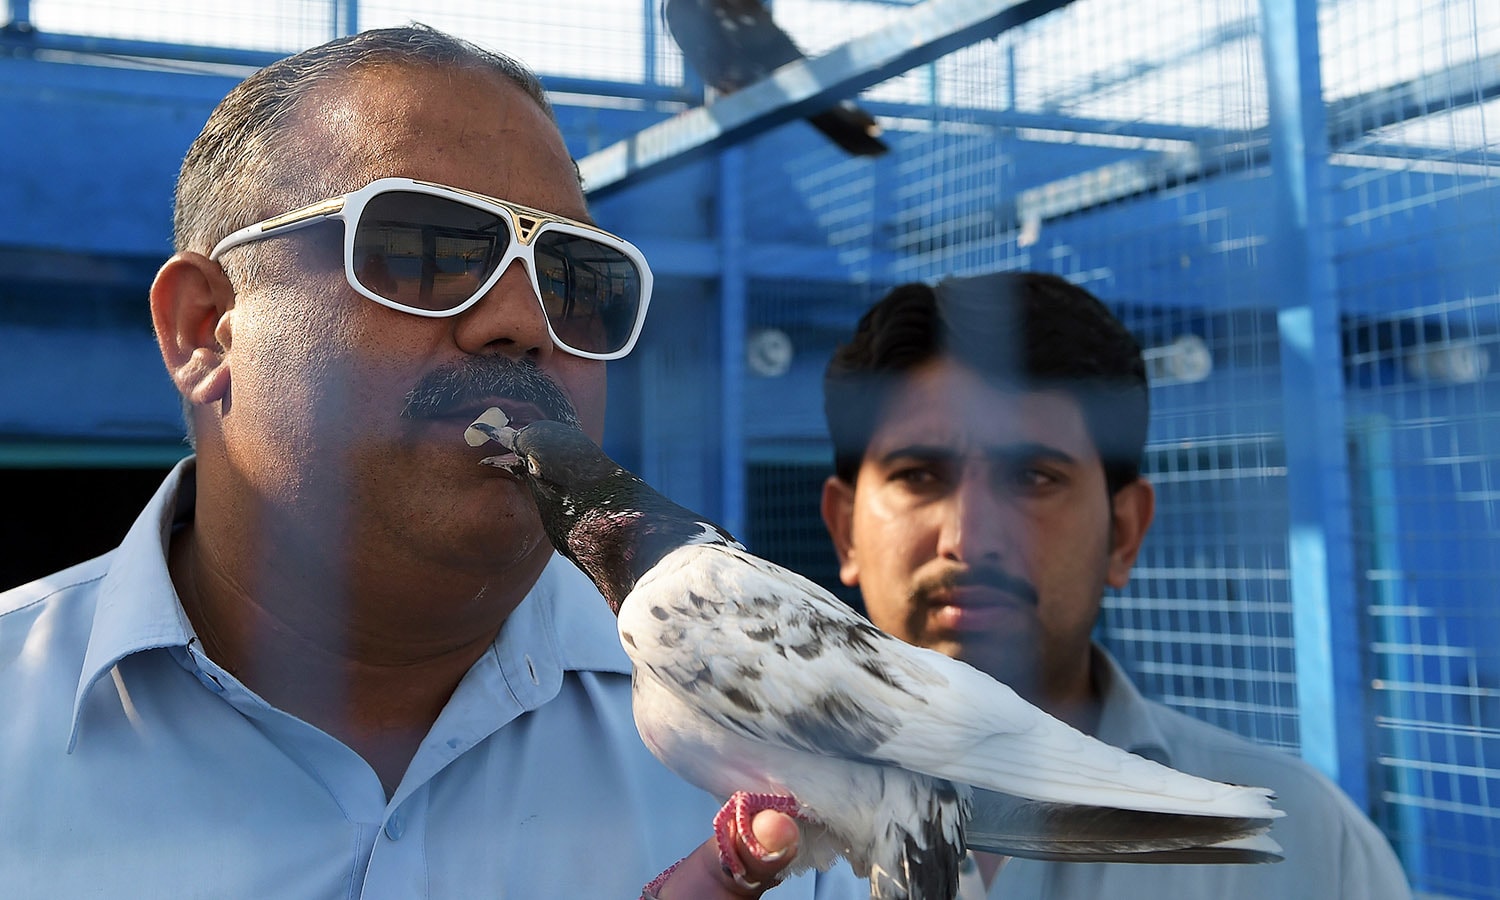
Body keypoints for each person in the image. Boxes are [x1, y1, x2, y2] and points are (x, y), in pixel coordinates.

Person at [0, 25, 863, 900]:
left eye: (576, 280)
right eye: (426, 251)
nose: (525, 321)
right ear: (205, 329)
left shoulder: (771, 764)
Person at [818, 272, 1413, 899]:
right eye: (918, 475)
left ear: (1124, 533)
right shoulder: (729, 829)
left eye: (1031, 478)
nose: (966, 539)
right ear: (844, 531)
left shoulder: (1304, 844)